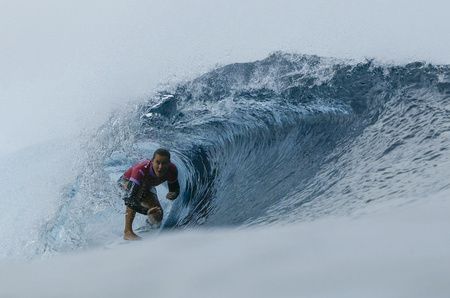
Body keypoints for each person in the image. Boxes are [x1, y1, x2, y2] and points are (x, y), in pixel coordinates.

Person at [118, 148, 180, 240]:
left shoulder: (172, 170)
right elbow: (129, 200)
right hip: (126, 184)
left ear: (169, 163)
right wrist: (145, 211)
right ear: (152, 161)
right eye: (157, 163)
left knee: (158, 216)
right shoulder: (141, 170)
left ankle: (147, 226)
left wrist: (174, 194)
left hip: (146, 186)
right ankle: (127, 232)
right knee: (135, 194)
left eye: (164, 163)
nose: (160, 167)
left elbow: (175, 188)